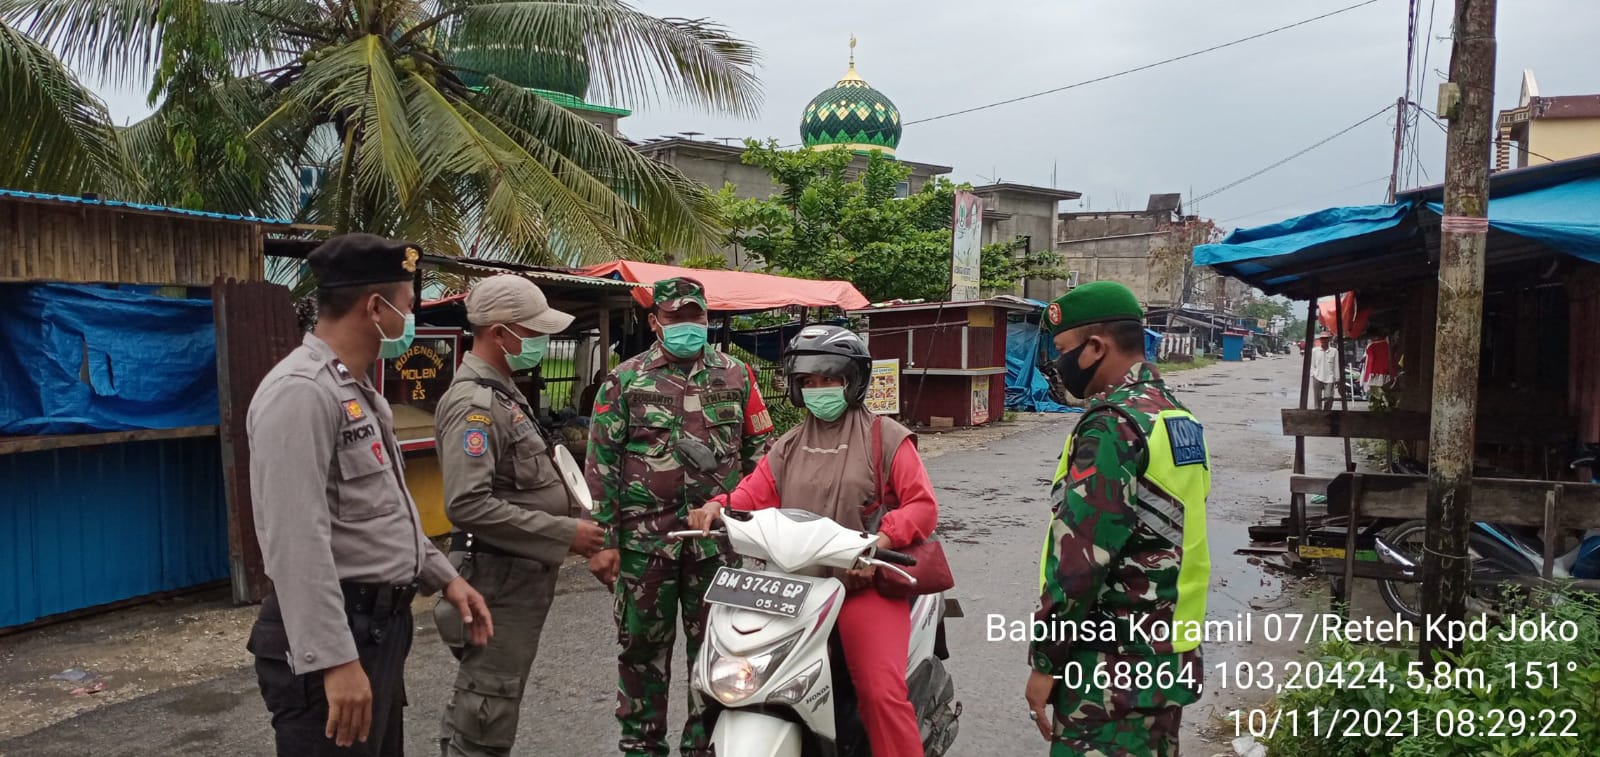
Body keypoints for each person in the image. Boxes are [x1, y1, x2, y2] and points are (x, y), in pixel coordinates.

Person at [246, 233, 493, 756]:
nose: (412, 318)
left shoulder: (359, 393)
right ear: (375, 307)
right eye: (408, 305)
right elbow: (294, 541)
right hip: (334, 637)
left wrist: (445, 578)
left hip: (377, 629)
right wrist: (334, 659)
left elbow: (385, 512)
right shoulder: (302, 393)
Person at [688, 324, 937, 757]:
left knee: (880, 690)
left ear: (853, 382)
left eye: (830, 379)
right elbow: (750, 495)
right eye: (808, 382)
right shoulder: (787, 445)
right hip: (795, 585)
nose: (819, 389)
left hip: (860, 581)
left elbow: (922, 506)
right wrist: (717, 506)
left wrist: (878, 540)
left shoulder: (886, 438)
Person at [584, 277, 775, 757]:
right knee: (641, 653)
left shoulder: (738, 375)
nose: (688, 326)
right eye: (676, 317)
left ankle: (703, 745)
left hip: (718, 544)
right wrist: (604, 541)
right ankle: (642, 747)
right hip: (644, 544)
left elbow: (762, 456)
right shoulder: (624, 380)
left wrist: (760, 525)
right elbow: (600, 462)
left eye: (697, 317)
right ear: (655, 322)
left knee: (717, 653)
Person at [1025, 281, 1211, 757]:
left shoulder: (1113, 424)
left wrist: (1046, 662)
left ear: (1095, 348)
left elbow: (1081, 560)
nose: (1059, 364)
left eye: (1064, 350)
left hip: (1112, 668)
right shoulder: (1175, 417)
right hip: (1168, 658)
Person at [433, 274, 608, 756]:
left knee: (483, 701)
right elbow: (466, 503)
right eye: (532, 333)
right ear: (498, 332)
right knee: (486, 710)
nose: (540, 342)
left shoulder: (505, 392)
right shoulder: (476, 404)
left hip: (513, 577)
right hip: (495, 579)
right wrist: (562, 533)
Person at [1310, 332, 1340, 409]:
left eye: (1326, 338)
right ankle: (1318, 412)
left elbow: (1336, 365)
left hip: (1329, 377)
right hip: (1317, 376)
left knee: (1329, 397)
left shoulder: (1334, 351)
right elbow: (1312, 364)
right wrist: (1313, 374)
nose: (1324, 340)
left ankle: (1327, 412)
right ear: (1320, 340)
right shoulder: (1315, 350)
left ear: (1329, 339)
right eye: (1322, 338)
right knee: (1317, 398)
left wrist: (1337, 377)